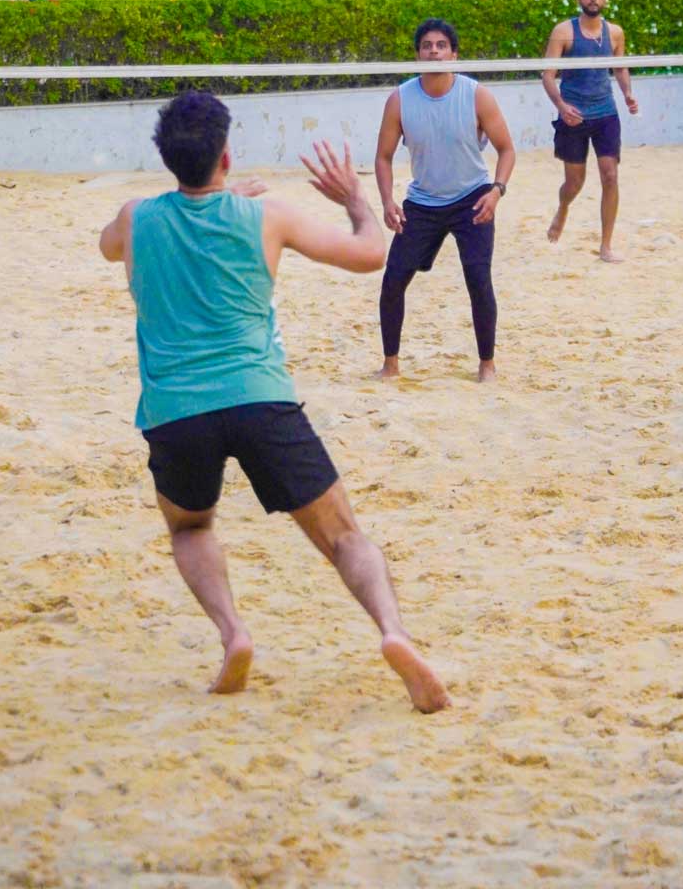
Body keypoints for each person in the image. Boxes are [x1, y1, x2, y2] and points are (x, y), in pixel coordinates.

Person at [98, 93, 449, 711]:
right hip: (260, 398)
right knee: (344, 539)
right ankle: (393, 632)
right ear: (226, 156)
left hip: (176, 411)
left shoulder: (136, 218)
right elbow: (371, 254)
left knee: (190, 526)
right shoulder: (267, 218)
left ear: (167, 158)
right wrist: (354, 201)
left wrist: (203, 202)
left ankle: (234, 633)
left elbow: (108, 244)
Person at [374, 18, 515, 384]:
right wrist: (388, 200)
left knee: (478, 279)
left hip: (473, 198)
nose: (433, 51)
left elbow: (507, 149)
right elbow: (383, 157)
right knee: (393, 281)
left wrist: (496, 191)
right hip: (422, 202)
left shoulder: (476, 94)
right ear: (418, 53)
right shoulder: (400, 99)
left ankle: (487, 365)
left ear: (454, 53)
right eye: (426, 45)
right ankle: (390, 365)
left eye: (441, 45)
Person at [542, 0, 638, 259]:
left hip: (606, 112)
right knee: (574, 183)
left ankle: (606, 245)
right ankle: (563, 208)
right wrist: (561, 106)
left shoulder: (615, 32)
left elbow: (619, 67)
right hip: (573, 114)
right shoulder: (564, 32)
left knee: (610, 176)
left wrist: (627, 94)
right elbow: (547, 75)